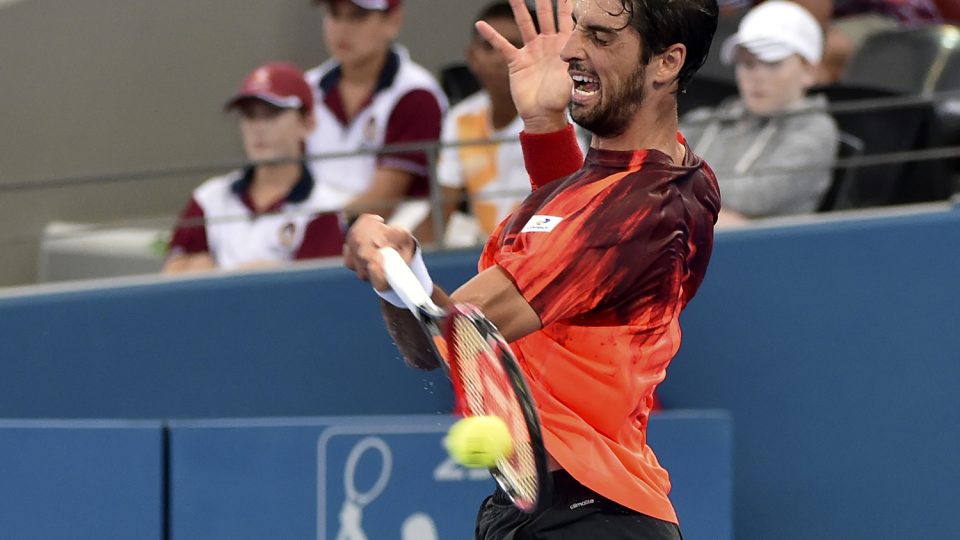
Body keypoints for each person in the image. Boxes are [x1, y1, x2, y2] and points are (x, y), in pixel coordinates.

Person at [344, 0, 721, 537]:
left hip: (590, 521)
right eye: (574, 30)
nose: (570, 50)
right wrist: (544, 124)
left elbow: (446, 340)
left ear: (667, 62)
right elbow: (577, 246)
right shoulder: (682, 176)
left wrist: (394, 268)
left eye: (601, 36)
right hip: (574, 510)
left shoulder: (635, 215)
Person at [165, 62, 344, 273]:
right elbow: (173, 278)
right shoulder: (208, 199)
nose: (258, 128)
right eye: (249, 115)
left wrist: (216, 273)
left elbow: (310, 294)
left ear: (308, 123)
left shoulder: (324, 208)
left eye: (271, 114)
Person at [681, 1, 838, 225]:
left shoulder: (816, 128)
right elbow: (648, 166)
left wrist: (672, 191)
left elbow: (758, 195)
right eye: (747, 63)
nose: (757, 76)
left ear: (809, 71)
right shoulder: (707, 119)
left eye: (773, 63)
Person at [305, 0, 447, 228]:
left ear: (393, 21)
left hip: (392, 238)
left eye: (357, 16)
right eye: (334, 14)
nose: (342, 28)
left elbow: (382, 203)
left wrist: (314, 234)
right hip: (312, 234)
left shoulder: (417, 94)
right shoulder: (306, 88)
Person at [435, 2, 534, 247]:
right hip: (482, 255)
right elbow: (443, 206)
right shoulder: (459, 118)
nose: (502, 58)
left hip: (540, 251)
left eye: (514, 45)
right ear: (472, 57)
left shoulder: (563, 118)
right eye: (489, 47)